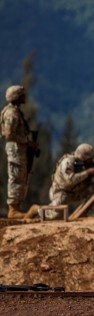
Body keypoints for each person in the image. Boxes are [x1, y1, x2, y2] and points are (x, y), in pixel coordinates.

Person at [0, 85, 39, 219]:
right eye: (22, 94)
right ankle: (13, 209)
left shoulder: (15, 111)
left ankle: (17, 208)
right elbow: (9, 135)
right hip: (15, 150)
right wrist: (26, 142)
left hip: (19, 149)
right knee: (16, 178)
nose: (25, 97)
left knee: (21, 177)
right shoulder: (12, 113)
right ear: (16, 97)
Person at [44, 143, 94, 219]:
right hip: (59, 193)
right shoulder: (68, 163)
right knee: (55, 217)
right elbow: (70, 180)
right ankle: (39, 211)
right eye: (89, 159)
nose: (92, 161)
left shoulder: (86, 164)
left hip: (75, 192)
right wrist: (88, 172)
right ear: (83, 158)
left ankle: (84, 212)